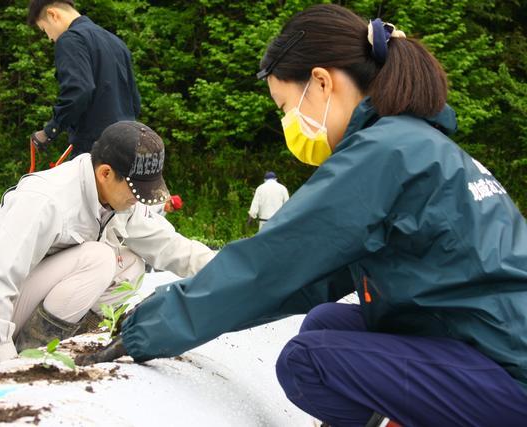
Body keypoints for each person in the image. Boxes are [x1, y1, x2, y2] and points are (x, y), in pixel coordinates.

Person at [79, 5, 527, 425]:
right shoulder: (421, 145)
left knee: (307, 361)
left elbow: (270, 266)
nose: (291, 123)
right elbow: (309, 281)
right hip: (489, 340)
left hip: (506, 373)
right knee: (324, 322)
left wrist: (148, 327)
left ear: (322, 82)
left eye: (286, 107)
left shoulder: (383, 154)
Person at [0, 121, 215, 364]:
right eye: (136, 191)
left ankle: (71, 345)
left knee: (132, 265)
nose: (138, 200)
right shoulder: (46, 200)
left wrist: (226, 271)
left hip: (35, 299)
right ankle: (30, 356)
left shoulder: (119, 200)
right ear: (105, 173)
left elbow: (167, 244)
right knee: (100, 258)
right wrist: (3, 357)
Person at [27, 0, 141, 157]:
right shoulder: (116, 42)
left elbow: (79, 90)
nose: (49, 38)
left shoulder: (70, 39)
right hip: (128, 148)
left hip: (95, 151)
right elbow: (134, 102)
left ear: (53, 14)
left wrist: (49, 131)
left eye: (44, 29)